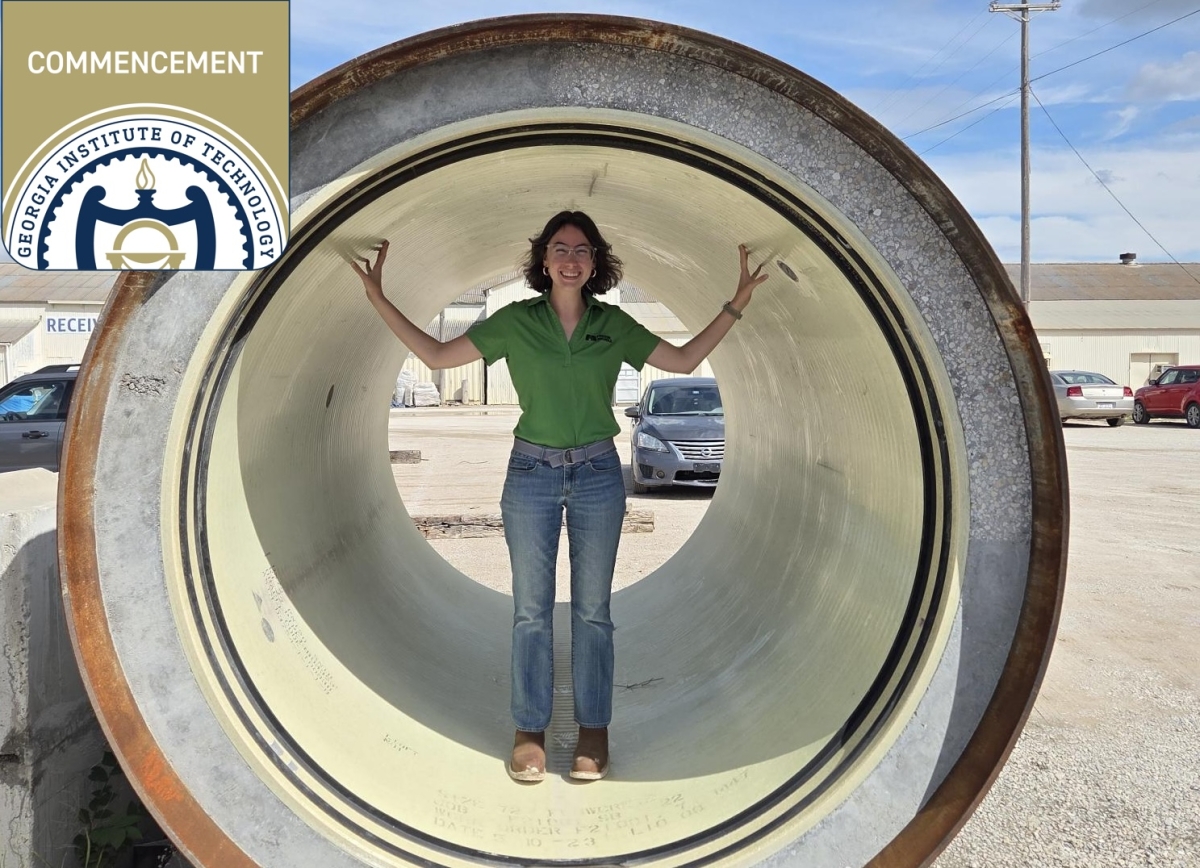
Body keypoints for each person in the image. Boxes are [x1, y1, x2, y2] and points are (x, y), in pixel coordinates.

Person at [351, 211, 767, 782]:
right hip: (531, 475)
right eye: (560, 249)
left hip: (598, 472)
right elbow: (438, 357)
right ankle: (530, 728)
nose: (571, 259)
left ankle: (593, 730)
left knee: (594, 612)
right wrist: (377, 297)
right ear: (543, 261)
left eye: (582, 250)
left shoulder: (612, 325)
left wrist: (736, 301)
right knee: (530, 611)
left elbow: (683, 360)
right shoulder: (515, 323)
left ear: (595, 263)